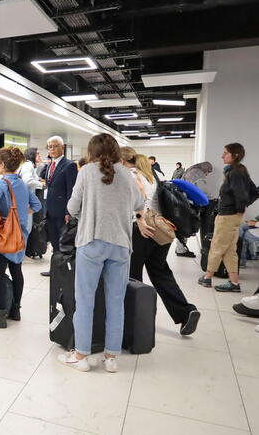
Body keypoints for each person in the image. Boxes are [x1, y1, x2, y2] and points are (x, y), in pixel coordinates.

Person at [59, 134, 144, 373]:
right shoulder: (127, 174)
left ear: (92, 151)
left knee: (85, 300)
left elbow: (72, 207)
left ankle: (81, 355)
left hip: (92, 241)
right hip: (121, 244)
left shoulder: (86, 172)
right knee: (116, 301)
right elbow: (139, 203)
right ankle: (111, 357)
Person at [120, 147, 200, 335]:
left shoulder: (131, 176)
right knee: (160, 272)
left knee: (132, 276)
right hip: (161, 228)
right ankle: (185, 311)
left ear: (122, 161)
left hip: (141, 229)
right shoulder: (152, 174)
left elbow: (134, 204)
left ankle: (133, 321)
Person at [0, 147, 41, 328]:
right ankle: (16, 310)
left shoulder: (2, 183)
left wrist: (0, 220)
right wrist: (21, 215)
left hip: (4, 238)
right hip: (20, 236)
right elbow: (36, 206)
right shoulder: (22, 183)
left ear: (3, 164)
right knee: (17, 272)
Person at [199, 143, 257, 292]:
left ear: (235, 155)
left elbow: (242, 195)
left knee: (216, 246)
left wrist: (237, 209)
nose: (222, 156)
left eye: (225, 153)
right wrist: (240, 210)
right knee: (229, 250)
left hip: (228, 216)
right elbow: (255, 192)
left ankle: (207, 278)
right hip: (231, 215)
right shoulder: (238, 171)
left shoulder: (235, 173)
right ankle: (234, 283)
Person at [41, 136, 78, 276]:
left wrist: (68, 212)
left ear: (62, 147)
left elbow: (71, 190)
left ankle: (65, 270)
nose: (52, 149)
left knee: (64, 243)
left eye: (55, 146)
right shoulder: (50, 165)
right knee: (54, 242)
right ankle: (55, 270)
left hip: (62, 212)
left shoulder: (69, 165)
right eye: (49, 146)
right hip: (50, 210)